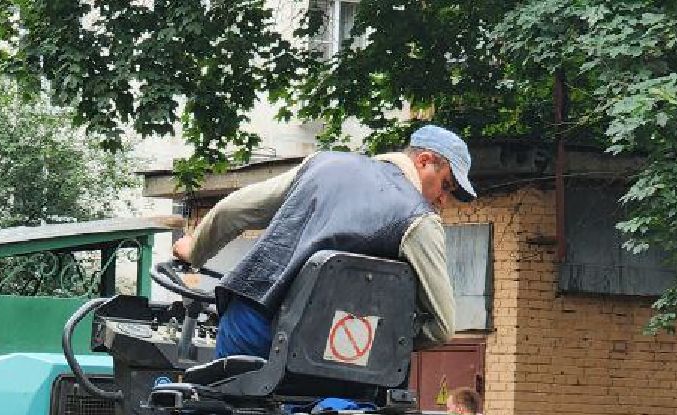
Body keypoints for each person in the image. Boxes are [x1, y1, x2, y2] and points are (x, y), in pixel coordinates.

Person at [171, 125, 476, 359]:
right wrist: (380, 338)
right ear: (424, 161)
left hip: (251, 323)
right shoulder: (419, 220)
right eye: (446, 186)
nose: (443, 201)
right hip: (332, 354)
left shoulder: (323, 164)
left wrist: (195, 250)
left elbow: (231, 211)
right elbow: (442, 327)